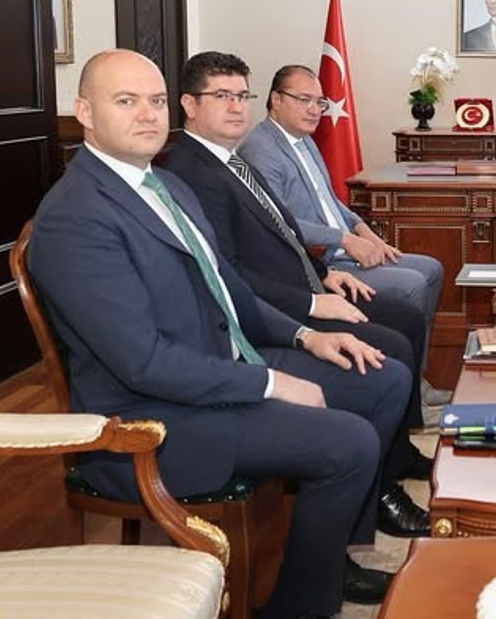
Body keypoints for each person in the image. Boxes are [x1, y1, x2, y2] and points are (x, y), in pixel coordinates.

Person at [28, 49, 411, 618]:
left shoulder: (165, 186)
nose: (147, 114)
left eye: (155, 101)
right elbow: (143, 363)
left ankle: (328, 557)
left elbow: (230, 290)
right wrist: (271, 383)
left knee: (381, 378)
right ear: (84, 112)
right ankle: (298, 606)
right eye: (126, 101)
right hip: (151, 417)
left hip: (218, 366)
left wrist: (307, 338)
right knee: (348, 443)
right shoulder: (75, 217)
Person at [161, 52, 435, 531]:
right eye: (221, 96)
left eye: (240, 95)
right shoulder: (191, 172)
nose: (236, 107)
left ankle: (393, 459)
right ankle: (376, 491)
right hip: (271, 311)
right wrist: (310, 304)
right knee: (388, 353)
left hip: (304, 285)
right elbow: (229, 274)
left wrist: (325, 274)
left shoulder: (229, 159)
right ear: (188, 104)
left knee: (404, 322)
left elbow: (284, 230)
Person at [239, 65, 445, 399]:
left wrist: (366, 233)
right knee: (412, 284)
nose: (314, 109)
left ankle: (418, 381)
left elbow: (329, 199)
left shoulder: (305, 141)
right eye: (303, 100)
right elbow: (278, 223)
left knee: (431, 269)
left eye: (319, 102)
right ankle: (406, 390)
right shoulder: (260, 149)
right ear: (276, 99)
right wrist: (345, 240)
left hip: (346, 248)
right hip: (321, 262)